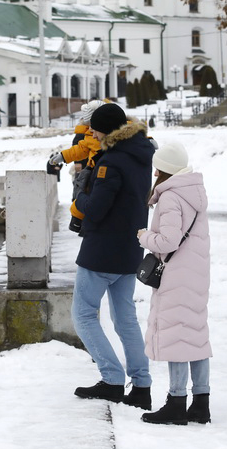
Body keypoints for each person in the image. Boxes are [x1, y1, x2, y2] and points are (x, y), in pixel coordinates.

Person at [71, 103, 155, 409]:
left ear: (105, 129)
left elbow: (96, 208)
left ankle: (111, 379)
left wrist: (80, 193)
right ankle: (142, 385)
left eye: (94, 127)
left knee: (82, 315)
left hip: (102, 250)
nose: (90, 132)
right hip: (131, 247)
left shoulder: (112, 161)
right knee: (125, 318)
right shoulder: (141, 152)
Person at [136, 141, 212, 425]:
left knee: (177, 337)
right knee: (195, 335)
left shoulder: (170, 198)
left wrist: (144, 237)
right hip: (196, 273)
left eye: (158, 170)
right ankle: (201, 405)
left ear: (166, 170)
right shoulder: (194, 192)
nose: (155, 174)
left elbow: (168, 241)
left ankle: (176, 403)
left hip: (176, 275)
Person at [48, 100, 104, 232]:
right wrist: (64, 156)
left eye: (93, 125)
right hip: (92, 170)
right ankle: (77, 221)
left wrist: (147, 140)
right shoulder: (89, 135)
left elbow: (132, 133)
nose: (92, 130)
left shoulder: (116, 131)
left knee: (88, 193)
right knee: (82, 192)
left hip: (101, 170)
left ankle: (80, 221)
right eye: (89, 125)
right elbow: (80, 148)